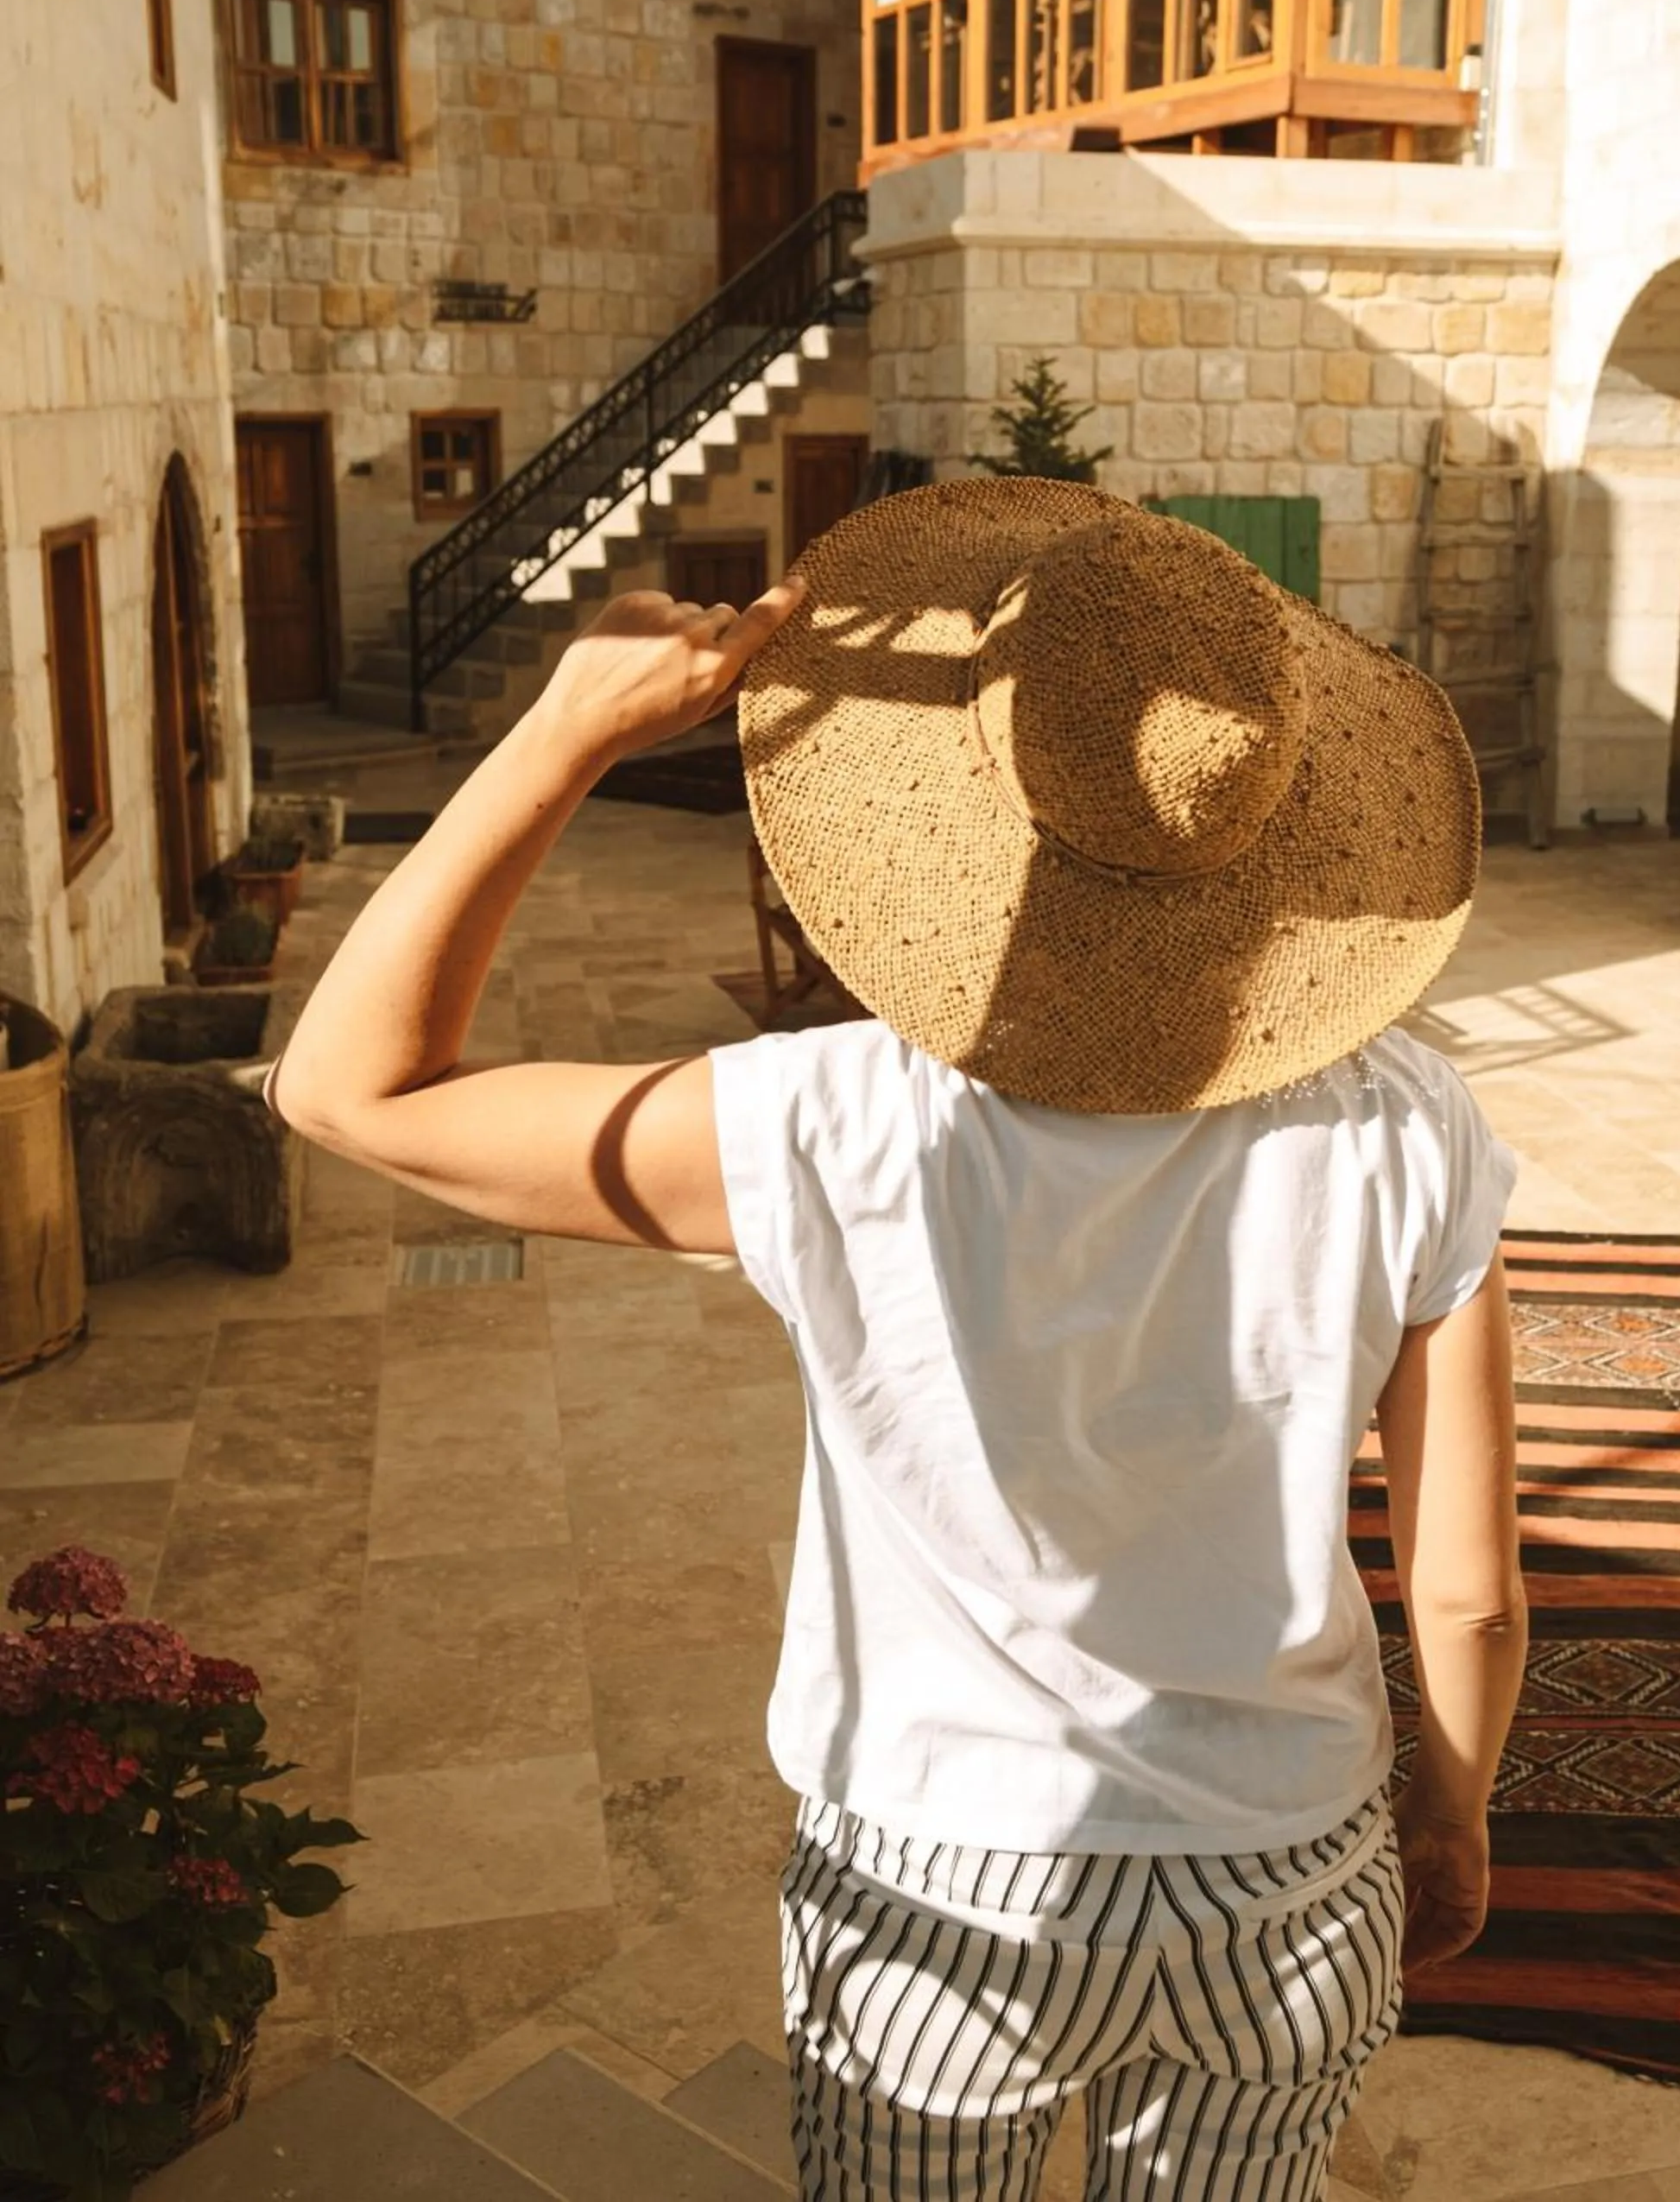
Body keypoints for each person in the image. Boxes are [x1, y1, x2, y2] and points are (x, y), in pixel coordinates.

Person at [274, 477, 1528, 2201]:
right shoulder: (1414, 1127)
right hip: (1288, 1887)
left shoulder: (838, 1123)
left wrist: (564, 738)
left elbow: (349, 1090)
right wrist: (1451, 1814)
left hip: (939, 1893)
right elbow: (1468, 1594)